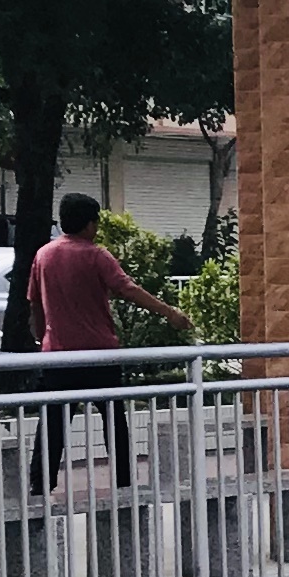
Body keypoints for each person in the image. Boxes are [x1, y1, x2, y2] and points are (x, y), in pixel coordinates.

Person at [27, 192, 170, 492]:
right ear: (90, 224)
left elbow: (36, 307)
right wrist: (169, 312)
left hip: (58, 355)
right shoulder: (96, 255)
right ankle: (123, 482)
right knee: (113, 421)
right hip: (99, 354)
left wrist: (43, 340)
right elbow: (127, 289)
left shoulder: (43, 255)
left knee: (52, 423)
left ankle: (39, 485)